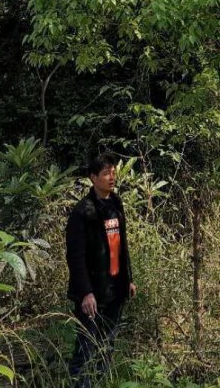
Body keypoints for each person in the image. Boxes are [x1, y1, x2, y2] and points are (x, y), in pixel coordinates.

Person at [66, 153, 136, 387]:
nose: (112, 176)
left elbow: (122, 245)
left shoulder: (115, 203)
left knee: (107, 347)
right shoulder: (82, 212)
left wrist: (129, 279)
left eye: (113, 171)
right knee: (86, 348)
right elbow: (75, 257)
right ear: (93, 177)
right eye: (106, 173)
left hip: (115, 288)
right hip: (93, 294)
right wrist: (85, 292)